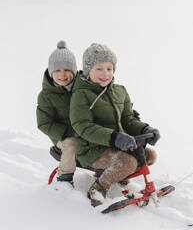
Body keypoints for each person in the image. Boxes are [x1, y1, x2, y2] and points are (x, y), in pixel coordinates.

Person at [70, 43, 159, 207]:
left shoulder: (120, 91)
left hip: (118, 144)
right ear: (88, 70)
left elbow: (128, 119)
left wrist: (144, 129)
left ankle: (119, 176)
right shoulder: (81, 94)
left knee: (149, 156)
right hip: (91, 149)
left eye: (109, 69)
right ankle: (98, 188)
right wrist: (113, 137)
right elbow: (83, 126)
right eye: (99, 69)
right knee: (128, 163)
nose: (105, 74)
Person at [36, 40, 78, 185]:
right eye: (57, 70)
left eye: (67, 70)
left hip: (84, 128)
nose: (62, 74)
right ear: (51, 72)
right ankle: (64, 179)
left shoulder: (82, 88)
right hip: (61, 136)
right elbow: (44, 123)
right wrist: (66, 131)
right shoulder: (46, 95)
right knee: (70, 144)